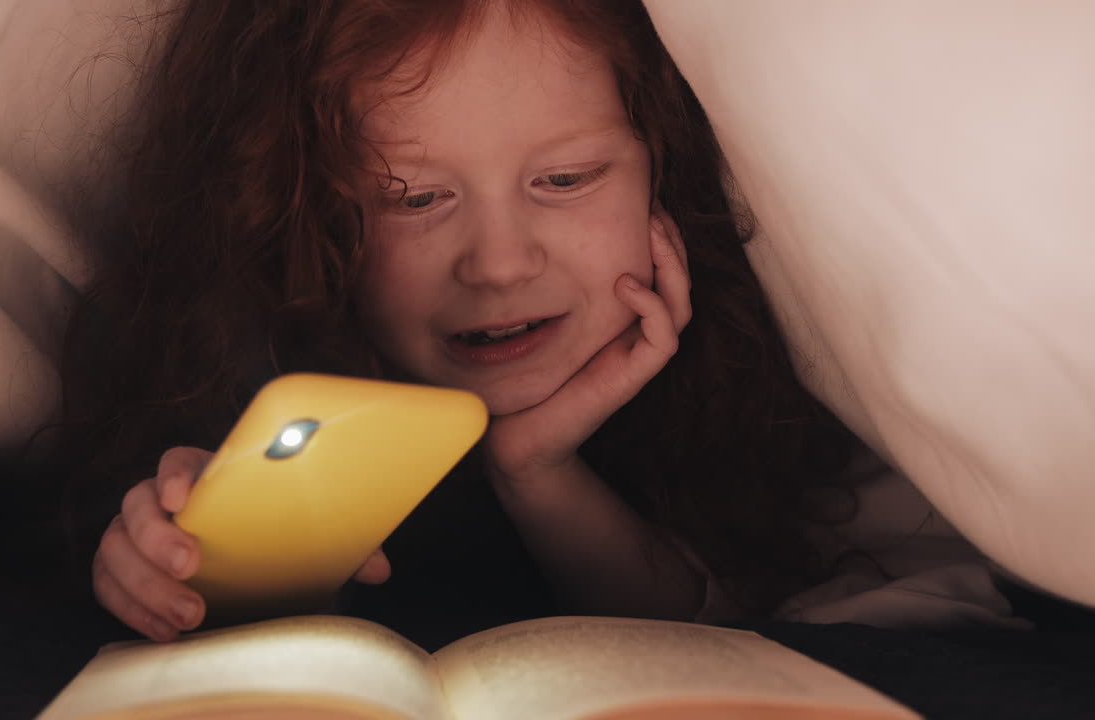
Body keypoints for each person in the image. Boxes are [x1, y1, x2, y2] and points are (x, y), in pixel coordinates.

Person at [54, 0, 1013, 644]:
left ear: (668, 174)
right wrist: (157, 561)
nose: (500, 262)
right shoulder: (242, 373)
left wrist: (537, 472)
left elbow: (713, 645)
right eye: (414, 198)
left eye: (565, 179)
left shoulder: (769, 386)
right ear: (296, 210)